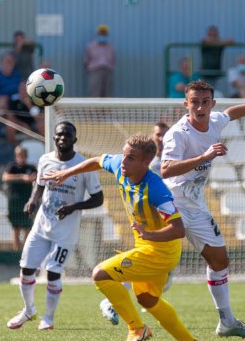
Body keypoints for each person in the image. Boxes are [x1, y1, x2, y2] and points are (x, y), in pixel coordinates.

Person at [161, 80, 245, 338]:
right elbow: (165, 169)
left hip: (195, 206)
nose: (199, 106)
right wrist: (204, 157)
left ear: (212, 104)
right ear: (185, 104)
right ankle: (113, 298)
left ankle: (227, 321)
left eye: (205, 102)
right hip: (170, 203)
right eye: (194, 102)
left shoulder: (216, 120)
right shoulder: (178, 133)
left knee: (219, 260)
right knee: (158, 263)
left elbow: (233, 113)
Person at [42, 134, 196, 341]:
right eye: (124, 155)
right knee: (148, 300)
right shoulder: (120, 166)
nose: (123, 161)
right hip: (148, 247)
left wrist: (148, 234)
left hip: (160, 252)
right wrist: (67, 173)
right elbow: (97, 161)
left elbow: (178, 229)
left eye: (130, 157)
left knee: (100, 274)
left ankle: (136, 329)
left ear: (146, 162)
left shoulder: (157, 190)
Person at [6, 121, 104, 331]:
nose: (62, 138)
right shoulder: (45, 160)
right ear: (54, 138)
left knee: (53, 271)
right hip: (41, 227)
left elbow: (99, 198)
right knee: (26, 269)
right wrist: (33, 200)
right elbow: (39, 184)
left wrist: (74, 207)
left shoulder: (84, 166)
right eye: (59, 135)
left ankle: (48, 318)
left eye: (67, 135)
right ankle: (28, 310)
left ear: (74, 140)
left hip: (65, 233)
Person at [98, 121, 171, 326]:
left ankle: (140, 304)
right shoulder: (146, 164)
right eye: (158, 134)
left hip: (169, 218)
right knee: (143, 269)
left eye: (165, 135)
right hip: (149, 223)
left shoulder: (172, 159)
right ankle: (112, 302)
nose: (161, 138)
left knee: (163, 277)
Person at [0, 52, 39, 144]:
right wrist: (1, 97)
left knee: (30, 103)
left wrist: (24, 96)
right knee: (3, 103)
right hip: (5, 101)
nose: (10, 64)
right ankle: (3, 127)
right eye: (7, 61)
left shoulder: (17, 75)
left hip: (19, 100)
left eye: (11, 62)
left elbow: (23, 88)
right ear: (2, 63)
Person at [2, 146, 37, 251]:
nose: (21, 158)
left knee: (27, 227)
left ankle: (25, 252)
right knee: (16, 227)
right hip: (15, 201)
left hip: (27, 201)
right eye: (19, 155)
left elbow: (37, 177)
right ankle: (16, 251)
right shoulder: (12, 167)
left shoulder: (31, 168)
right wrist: (22, 177)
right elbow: (5, 177)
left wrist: (31, 179)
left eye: (23, 155)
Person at [84, 24, 116, 97]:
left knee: (107, 92)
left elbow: (113, 60)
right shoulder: (91, 46)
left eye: (104, 34)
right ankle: (94, 108)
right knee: (94, 92)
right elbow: (86, 60)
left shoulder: (110, 47)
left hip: (108, 71)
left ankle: (107, 108)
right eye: (101, 33)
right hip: (95, 71)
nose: (102, 35)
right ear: (98, 34)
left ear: (107, 35)